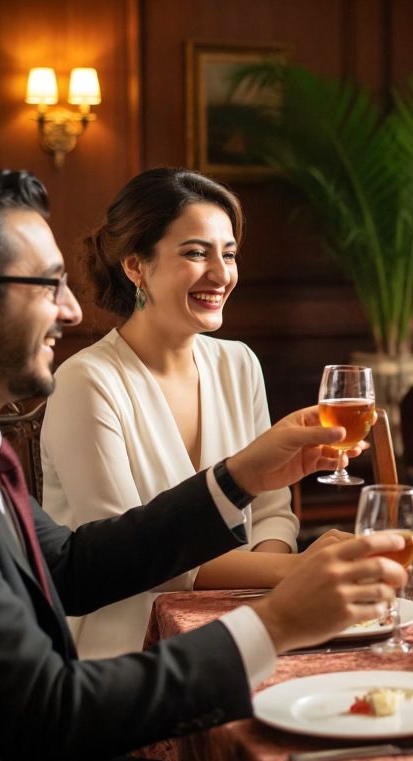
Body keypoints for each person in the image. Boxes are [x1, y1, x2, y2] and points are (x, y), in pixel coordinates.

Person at [0, 166, 407, 761]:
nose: (72, 312)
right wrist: (275, 624)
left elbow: (73, 565)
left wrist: (238, 479)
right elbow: (49, 714)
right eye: (49, 285)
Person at [41, 168, 349, 659]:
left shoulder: (238, 363)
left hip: (241, 623)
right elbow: (133, 560)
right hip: (123, 649)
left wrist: (260, 600)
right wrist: (295, 571)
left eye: (228, 254)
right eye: (194, 253)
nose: (221, 273)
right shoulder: (86, 382)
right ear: (136, 266)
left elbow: (273, 512)